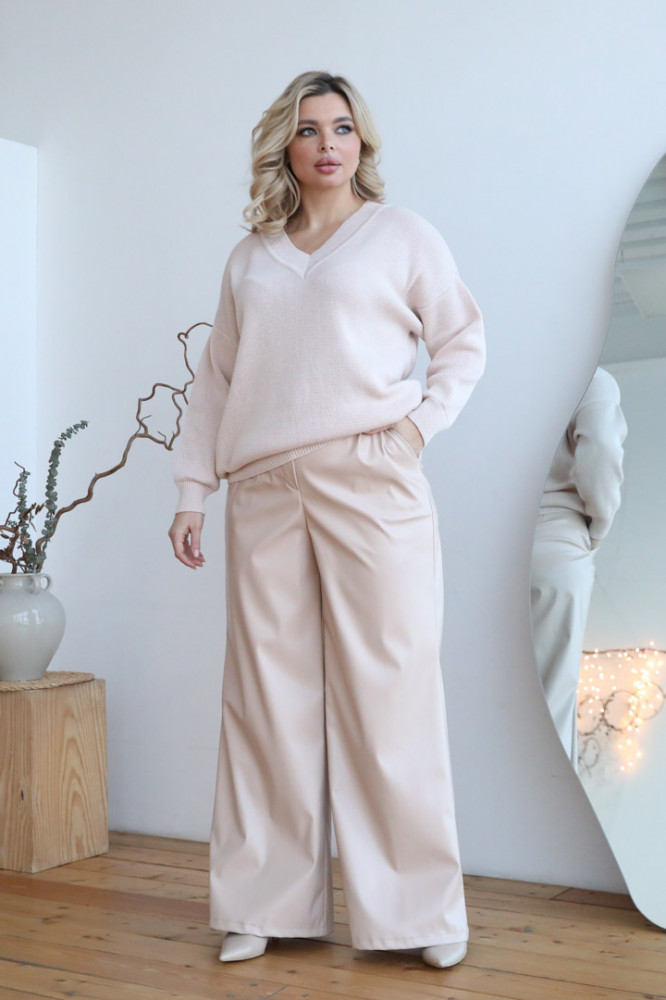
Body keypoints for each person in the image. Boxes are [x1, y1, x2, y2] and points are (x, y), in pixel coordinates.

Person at [168, 71, 485, 970]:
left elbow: (462, 341)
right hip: (263, 490)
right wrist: (192, 490)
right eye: (308, 130)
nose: (327, 143)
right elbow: (217, 380)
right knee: (266, 699)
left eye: (342, 127)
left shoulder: (402, 235)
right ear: (286, 146)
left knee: (391, 691)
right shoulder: (251, 258)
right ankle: (262, 901)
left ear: (362, 142)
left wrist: (413, 430)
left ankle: (420, 914)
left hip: (370, 481)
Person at [530, 367, 627, 765]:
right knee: (550, 706)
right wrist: (596, 528)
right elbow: (601, 449)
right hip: (558, 542)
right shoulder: (590, 378)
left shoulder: (502, 374)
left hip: (485, 549)